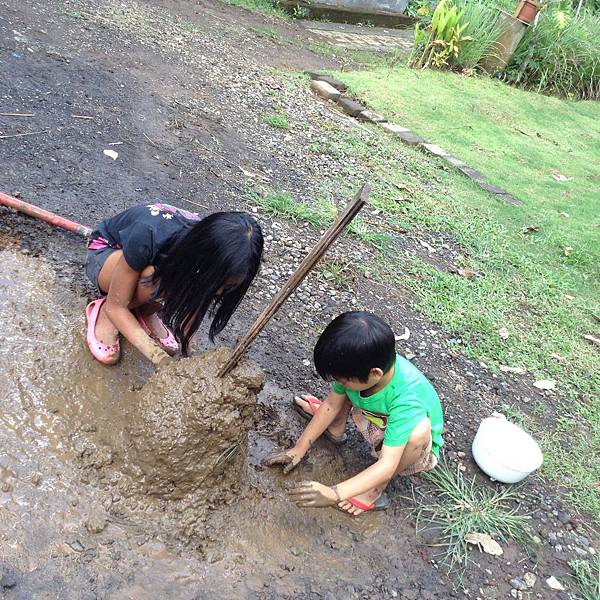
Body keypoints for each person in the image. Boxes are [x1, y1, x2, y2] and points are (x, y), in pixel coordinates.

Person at [264, 311, 444, 516]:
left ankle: (374, 490)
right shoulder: (361, 367)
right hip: (375, 416)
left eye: (342, 379)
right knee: (347, 391)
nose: (339, 383)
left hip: (413, 449)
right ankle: (335, 428)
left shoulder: (407, 399)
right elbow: (331, 405)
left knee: (418, 430)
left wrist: (334, 493)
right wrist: (298, 449)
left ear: (375, 373)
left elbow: (387, 464)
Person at [84, 202, 263, 367]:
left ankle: (142, 308)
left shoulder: (208, 259)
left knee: (180, 282)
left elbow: (196, 306)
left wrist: (192, 355)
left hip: (153, 265)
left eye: (227, 287)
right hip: (105, 253)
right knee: (152, 277)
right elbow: (120, 306)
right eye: (217, 284)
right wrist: (158, 358)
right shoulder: (150, 232)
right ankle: (108, 310)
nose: (219, 292)